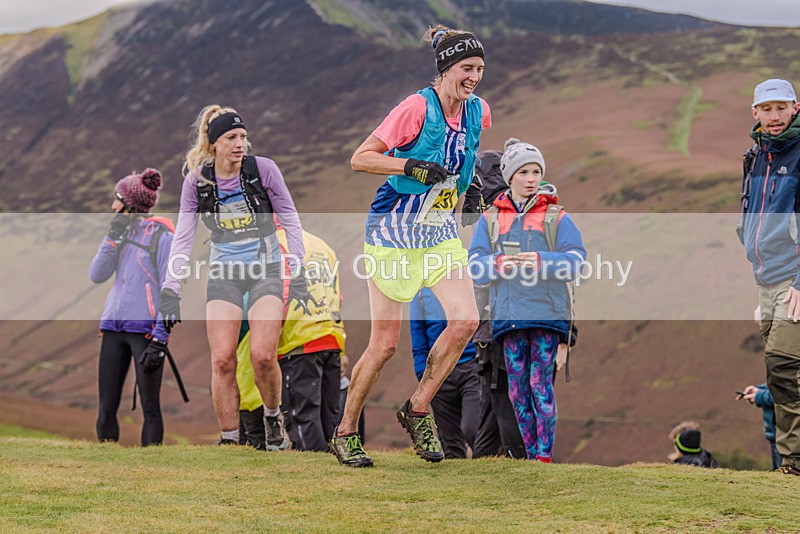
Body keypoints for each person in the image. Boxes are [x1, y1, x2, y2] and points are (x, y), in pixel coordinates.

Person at [330, 24, 490, 468]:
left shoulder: (478, 111)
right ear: (446, 68)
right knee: (384, 345)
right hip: (393, 231)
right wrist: (409, 166)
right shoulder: (416, 107)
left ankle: (417, 408)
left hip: (437, 231)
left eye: (479, 68)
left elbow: (467, 154)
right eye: (466, 68)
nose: (474, 77)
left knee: (466, 320)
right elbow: (361, 158)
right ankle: (346, 432)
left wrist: (471, 188)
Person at [158, 105, 311, 448]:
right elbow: (183, 237)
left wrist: (297, 269)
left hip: (265, 270)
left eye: (243, 136)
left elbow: (290, 218)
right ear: (214, 143)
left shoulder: (263, 170)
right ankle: (229, 439)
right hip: (224, 273)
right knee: (223, 360)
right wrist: (171, 288)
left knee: (262, 355)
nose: (240, 144)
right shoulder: (198, 181)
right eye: (231, 137)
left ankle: (272, 418)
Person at [469, 139, 586, 462]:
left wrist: (540, 261)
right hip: (507, 318)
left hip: (547, 316)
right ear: (509, 176)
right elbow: (474, 265)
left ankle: (542, 459)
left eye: (536, 171)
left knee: (540, 386)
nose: (531, 178)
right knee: (517, 390)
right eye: (523, 172)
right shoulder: (490, 219)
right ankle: (530, 458)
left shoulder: (556, 216)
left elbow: (577, 261)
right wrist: (499, 265)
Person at [739, 79, 800, 475]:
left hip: (794, 281)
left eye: (781, 107)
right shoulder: (755, 156)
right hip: (768, 281)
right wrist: (762, 284)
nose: (774, 116)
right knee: (782, 374)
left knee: (784, 369)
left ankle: (793, 463)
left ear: (796, 107)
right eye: (767, 108)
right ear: (755, 112)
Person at [89, 168, 174, 446]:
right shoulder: (120, 234)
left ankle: (151, 467)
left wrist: (161, 337)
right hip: (113, 327)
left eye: (118, 200)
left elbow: (171, 289)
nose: (113, 206)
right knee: (106, 407)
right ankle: (106, 465)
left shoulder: (162, 237)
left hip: (145, 332)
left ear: (131, 204)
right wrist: (111, 238)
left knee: (150, 408)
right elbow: (97, 274)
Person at [469, 150, 526, 459]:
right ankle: (518, 463)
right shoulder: (518, 214)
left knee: (500, 403)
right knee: (506, 405)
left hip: (495, 328)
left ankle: (512, 463)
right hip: (514, 326)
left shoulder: (492, 220)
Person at [410, 287, 480, 459]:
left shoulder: (465, 281)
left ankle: (488, 468)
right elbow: (418, 333)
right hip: (438, 373)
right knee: (451, 445)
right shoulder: (420, 293)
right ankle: (457, 476)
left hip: (472, 367)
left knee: (474, 429)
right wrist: (422, 372)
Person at [738, 384, 782, 470]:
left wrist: (759, 395)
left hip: (785, 437)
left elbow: (786, 395)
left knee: (785, 473)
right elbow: (780, 384)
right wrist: (760, 389)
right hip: (778, 436)